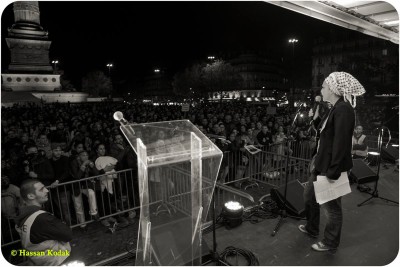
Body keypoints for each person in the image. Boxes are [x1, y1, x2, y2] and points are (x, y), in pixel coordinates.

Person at [298, 72, 365, 252]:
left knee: (331, 207)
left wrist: (333, 171)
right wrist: (317, 117)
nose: (322, 89)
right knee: (309, 196)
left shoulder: (343, 108)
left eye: (325, 86)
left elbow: (341, 142)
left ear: (334, 90)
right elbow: (326, 132)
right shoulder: (334, 107)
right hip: (321, 162)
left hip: (330, 166)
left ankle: (330, 241)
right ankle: (312, 228)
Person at [14, 179, 72, 265]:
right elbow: (68, 235)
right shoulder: (41, 218)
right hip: (57, 261)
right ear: (30, 196)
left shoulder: (23, 215)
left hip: (39, 261)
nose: (47, 190)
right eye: (41, 189)